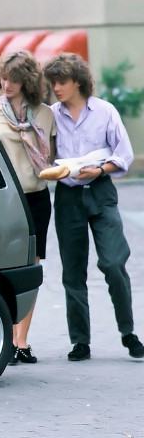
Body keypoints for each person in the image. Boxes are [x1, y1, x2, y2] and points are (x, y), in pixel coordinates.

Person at [43, 52, 144, 361]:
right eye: (53, 83)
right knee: (72, 272)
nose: (56, 88)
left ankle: (128, 333)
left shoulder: (105, 111)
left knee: (114, 263)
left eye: (62, 82)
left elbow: (123, 155)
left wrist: (99, 170)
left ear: (78, 81)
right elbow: (42, 156)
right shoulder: (51, 115)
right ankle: (80, 341)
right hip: (67, 196)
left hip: (100, 191)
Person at [0, 50, 57, 365]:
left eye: (12, 79)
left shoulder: (45, 114)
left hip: (36, 198)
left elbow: (50, 160)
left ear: (26, 81)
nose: (5, 84)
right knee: (1, 267)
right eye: (2, 77)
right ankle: (3, 336)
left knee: (30, 268)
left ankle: (20, 340)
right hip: (2, 200)